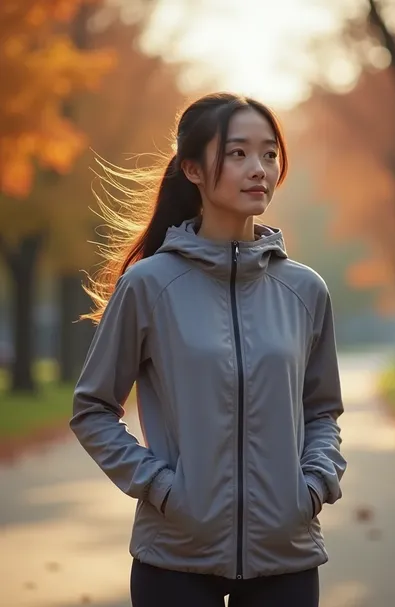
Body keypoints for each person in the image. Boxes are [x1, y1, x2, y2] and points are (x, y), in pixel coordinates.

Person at [70, 92, 346, 607]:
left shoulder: (305, 290)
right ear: (193, 169)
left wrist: (312, 485)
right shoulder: (149, 286)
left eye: (269, 153)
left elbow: (322, 408)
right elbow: (92, 409)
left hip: (285, 555)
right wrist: (163, 490)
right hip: (174, 557)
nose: (259, 168)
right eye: (238, 153)